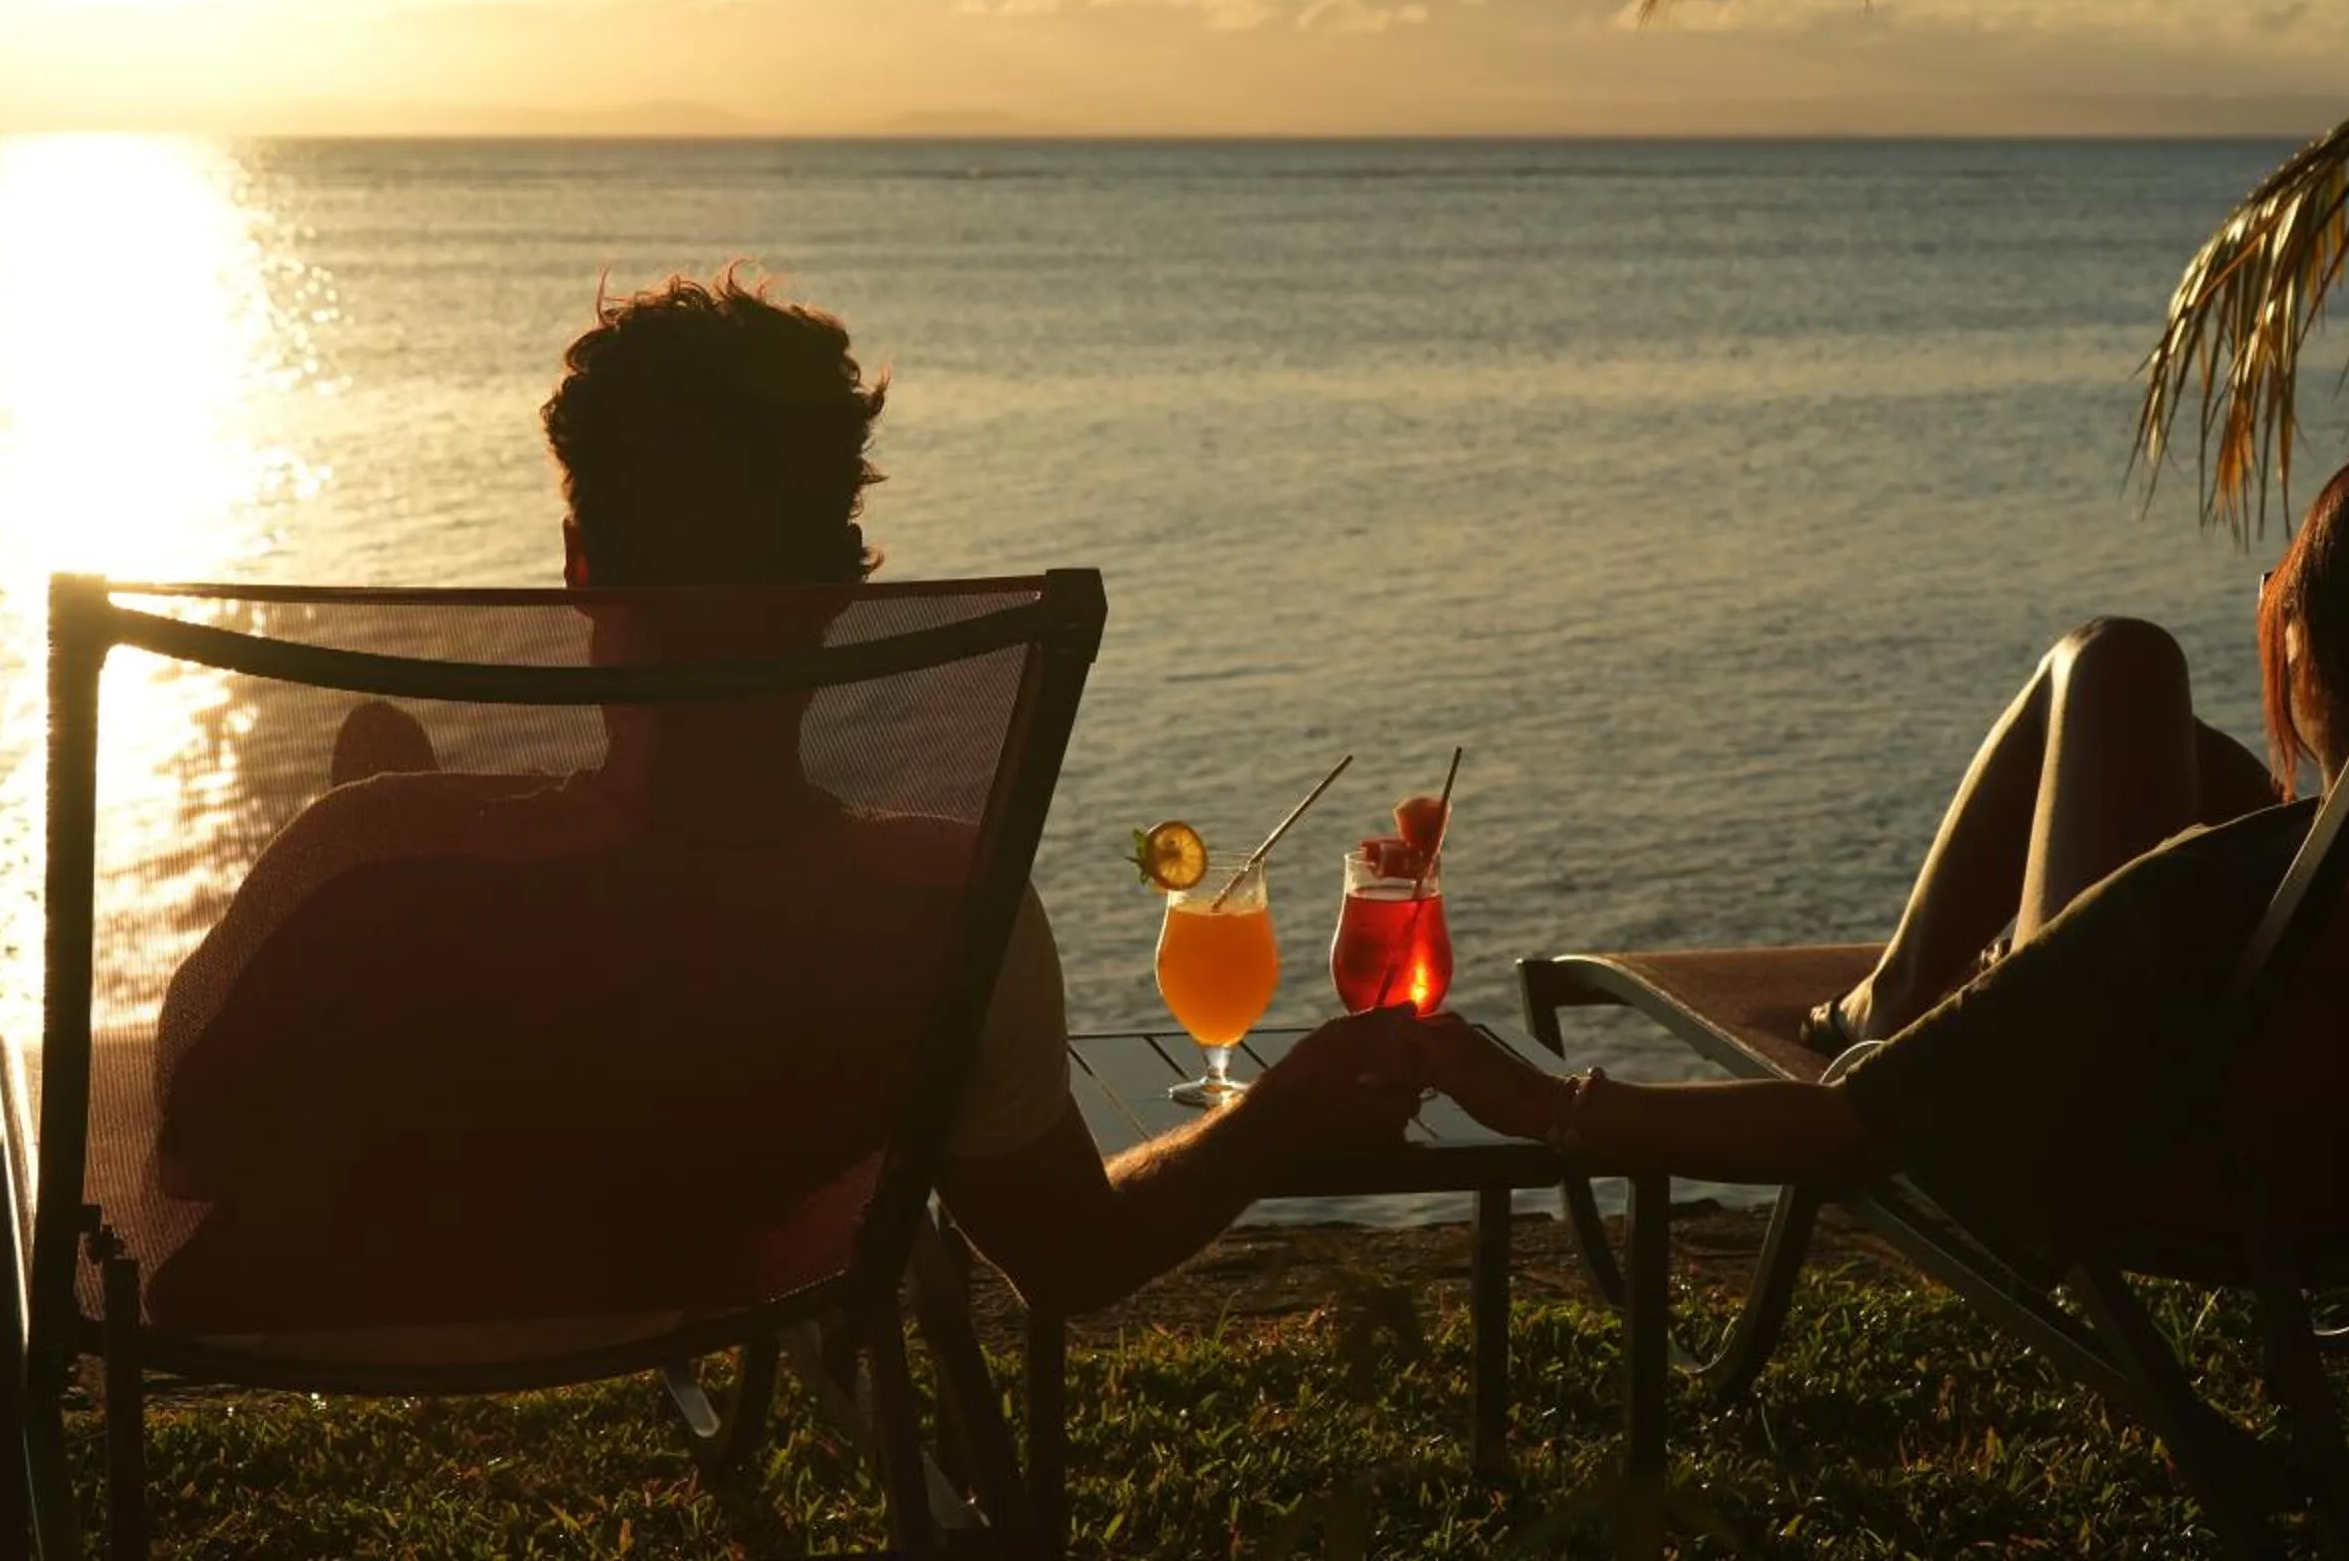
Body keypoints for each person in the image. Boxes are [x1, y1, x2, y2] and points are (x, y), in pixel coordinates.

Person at [150, 266, 1424, 1329]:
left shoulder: (369, 856)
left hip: (358, 1280)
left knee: (389, 773)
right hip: (706, 1264)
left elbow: (191, 1123)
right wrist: (1276, 1112)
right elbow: (1070, 1253)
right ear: (846, 587)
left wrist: (398, 846)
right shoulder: (953, 908)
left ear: (581, 572)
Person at [1413, 442, 2349, 1271]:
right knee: (2133, 697)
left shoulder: (2224, 890)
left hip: (2130, 1139)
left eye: (2286, 597)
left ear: (2314, 647)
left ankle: (1896, 996)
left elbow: (1857, 1128)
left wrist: (1543, 1099)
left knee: (2114, 656)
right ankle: (1905, 985)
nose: (2270, 612)